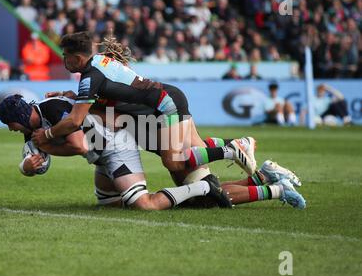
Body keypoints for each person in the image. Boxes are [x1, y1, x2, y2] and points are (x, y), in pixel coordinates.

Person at [0, 94, 307, 210]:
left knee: (192, 192)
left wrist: (47, 140)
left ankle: (259, 175)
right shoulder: (99, 87)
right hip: (133, 134)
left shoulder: (84, 94)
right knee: (109, 202)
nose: (12, 129)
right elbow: (37, 157)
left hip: (131, 137)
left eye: (11, 123)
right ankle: (263, 174)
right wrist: (27, 166)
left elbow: (80, 144)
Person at [31, 32, 257, 188]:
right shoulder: (100, 61)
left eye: (65, 55)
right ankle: (243, 144)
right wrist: (76, 96)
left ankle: (232, 149)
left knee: (174, 161)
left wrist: (48, 135)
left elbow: (74, 121)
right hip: (168, 97)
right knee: (194, 151)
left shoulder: (91, 76)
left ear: (77, 58)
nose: (63, 59)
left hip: (165, 104)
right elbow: (114, 89)